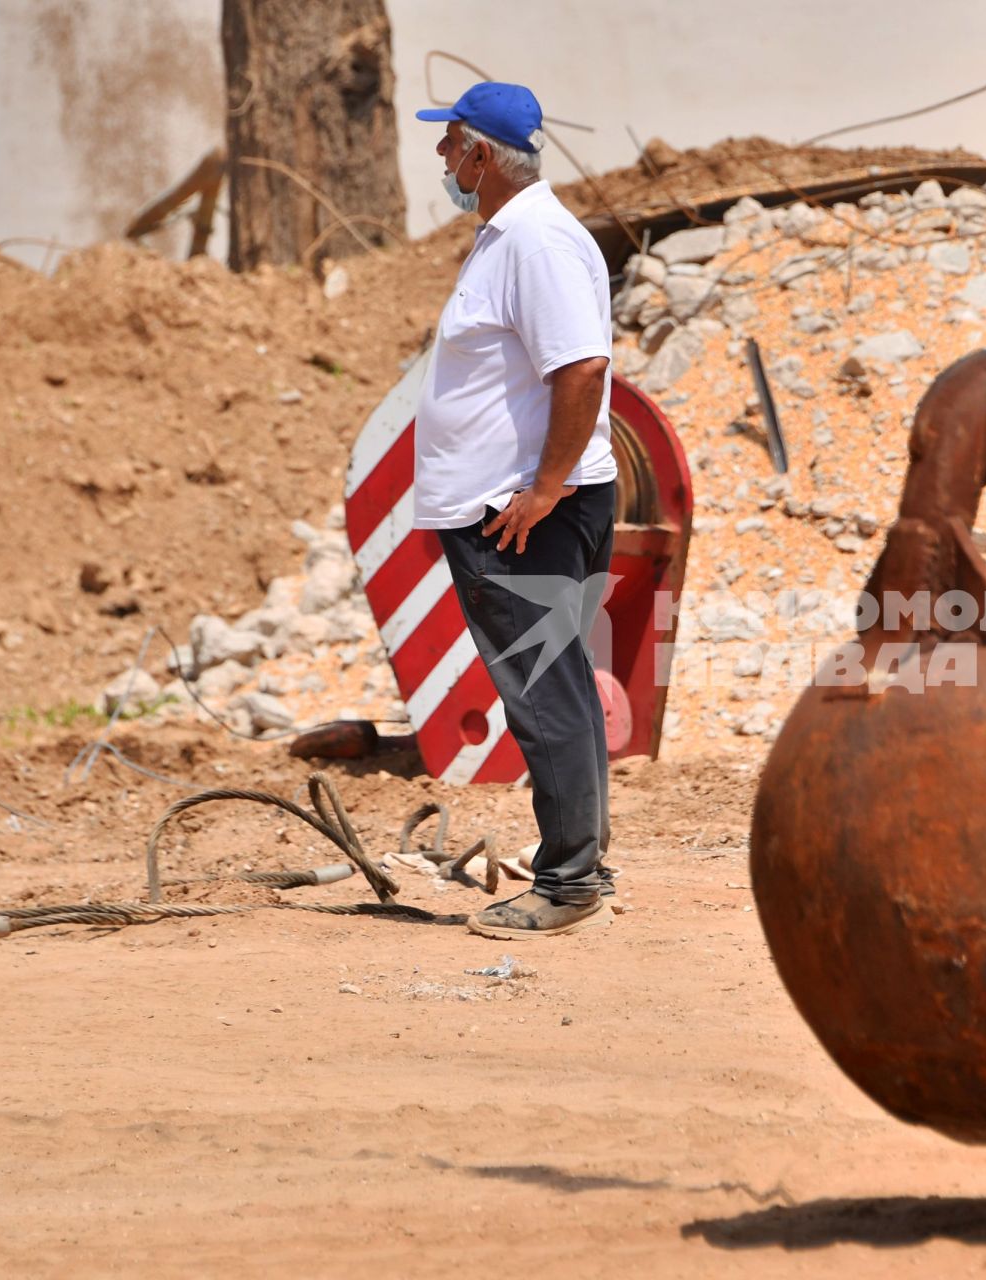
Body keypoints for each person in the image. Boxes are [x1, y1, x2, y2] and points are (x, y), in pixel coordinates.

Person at [412, 82, 619, 939]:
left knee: (545, 695)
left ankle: (568, 884)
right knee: (559, 686)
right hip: (517, 503)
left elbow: (581, 369)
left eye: (449, 142)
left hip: (520, 511)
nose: (441, 158)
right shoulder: (511, 238)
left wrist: (543, 486)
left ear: (481, 155)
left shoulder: (534, 241)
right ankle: (583, 865)